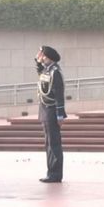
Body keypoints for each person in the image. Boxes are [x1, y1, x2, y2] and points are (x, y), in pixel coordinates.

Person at [35, 46, 67, 183]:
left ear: (50, 58)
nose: (43, 58)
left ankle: (55, 174)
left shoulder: (55, 72)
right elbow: (40, 72)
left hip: (52, 111)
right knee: (48, 143)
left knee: (54, 144)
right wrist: (38, 60)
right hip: (45, 110)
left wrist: (60, 114)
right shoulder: (47, 70)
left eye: (44, 56)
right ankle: (51, 172)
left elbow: (59, 95)